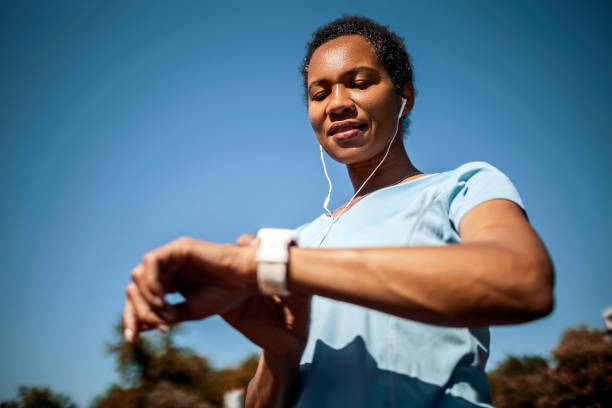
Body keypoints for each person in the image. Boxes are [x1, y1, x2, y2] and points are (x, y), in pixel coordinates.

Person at [122, 15, 554, 408]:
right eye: (319, 93)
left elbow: (523, 280)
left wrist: (278, 265)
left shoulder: (463, 187)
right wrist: (281, 350)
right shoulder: (299, 242)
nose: (337, 103)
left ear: (404, 97)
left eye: (360, 82)